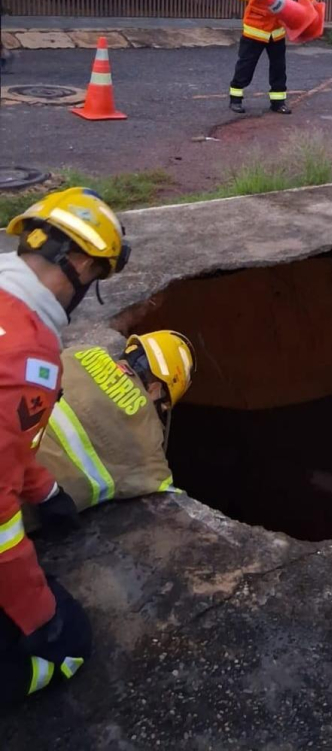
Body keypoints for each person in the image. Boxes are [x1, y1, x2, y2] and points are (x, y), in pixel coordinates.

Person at [0, 187, 129, 705]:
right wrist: (39, 616)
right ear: (76, 261)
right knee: (68, 644)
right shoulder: (25, 354)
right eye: (95, 277)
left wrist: (44, 488)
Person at [37, 330, 196, 513]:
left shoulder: (81, 352)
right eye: (165, 402)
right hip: (14, 496)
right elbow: (163, 485)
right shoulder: (147, 440)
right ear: (155, 389)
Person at [228, 0, 317, 116]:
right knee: (246, 66)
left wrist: (311, 1)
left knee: (278, 68)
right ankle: (235, 99)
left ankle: (278, 102)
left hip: (276, 30)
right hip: (255, 29)